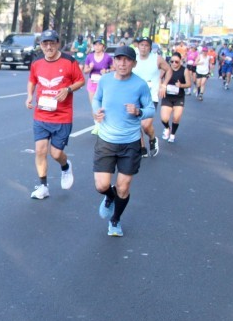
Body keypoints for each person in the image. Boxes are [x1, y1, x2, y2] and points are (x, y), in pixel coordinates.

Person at [92, 46, 155, 237]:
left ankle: (115, 220)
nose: (122, 63)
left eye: (127, 60)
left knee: (123, 186)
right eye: (119, 59)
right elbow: (97, 99)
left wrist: (138, 111)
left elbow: (151, 109)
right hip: (106, 140)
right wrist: (96, 111)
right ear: (114, 62)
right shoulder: (105, 80)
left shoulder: (140, 85)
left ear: (134, 63)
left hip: (130, 142)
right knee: (101, 186)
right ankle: (109, 196)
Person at [25, 29, 85, 199]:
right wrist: (29, 96)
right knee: (40, 150)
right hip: (41, 115)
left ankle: (66, 166)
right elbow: (32, 80)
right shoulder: (37, 62)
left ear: (58, 44)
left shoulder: (69, 61)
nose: (49, 47)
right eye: (45, 44)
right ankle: (43, 186)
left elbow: (81, 80)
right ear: (41, 45)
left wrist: (68, 89)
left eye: (52, 43)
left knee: (56, 153)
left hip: (62, 116)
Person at [131, 36, 169, 157]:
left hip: (151, 96)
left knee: (145, 125)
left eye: (146, 45)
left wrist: (164, 85)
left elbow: (169, 70)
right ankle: (142, 147)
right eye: (141, 45)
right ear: (138, 46)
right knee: (135, 123)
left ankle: (152, 138)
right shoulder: (133, 58)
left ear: (150, 47)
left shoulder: (156, 59)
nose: (143, 47)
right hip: (135, 95)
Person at [160, 52, 192, 143]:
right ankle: (167, 128)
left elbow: (189, 84)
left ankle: (172, 134)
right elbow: (159, 78)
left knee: (176, 117)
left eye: (176, 62)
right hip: (167, 96)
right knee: (164, 118)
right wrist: (162, 86)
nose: (174, 63)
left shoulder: (184, 70)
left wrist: (181, 85)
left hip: (179, 97)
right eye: (172, 61)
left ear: (180, 61)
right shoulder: (166, 69)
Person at [83, 38, 113, 135]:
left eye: (99, 45)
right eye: (95, 45)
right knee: (94, 105)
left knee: (103, 105)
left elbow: (114, 69)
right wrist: (90, 68)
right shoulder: (90, 57)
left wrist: (107, 71)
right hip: (92, 83)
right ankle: (97, 125)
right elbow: (85, 71)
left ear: (103, 46)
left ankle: (105, 124)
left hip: (104, 84)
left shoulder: (107, 57)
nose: (97, 47)